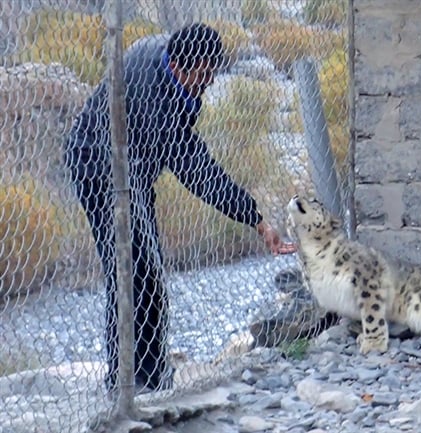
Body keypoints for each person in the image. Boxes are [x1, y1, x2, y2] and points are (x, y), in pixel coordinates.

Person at [64, 23, 296, 393]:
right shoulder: (159, 101)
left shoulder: (172, 64)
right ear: (182, 67)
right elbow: (198, 170)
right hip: (97, 168)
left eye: (213, 74)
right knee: (129, 273)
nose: (209, 84)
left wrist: (254, 217)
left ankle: (153, 376)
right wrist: (252, 216)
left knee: (149, 271)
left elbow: (191, 158)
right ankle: (127, 383)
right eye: (204, 75)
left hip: (132, 173)